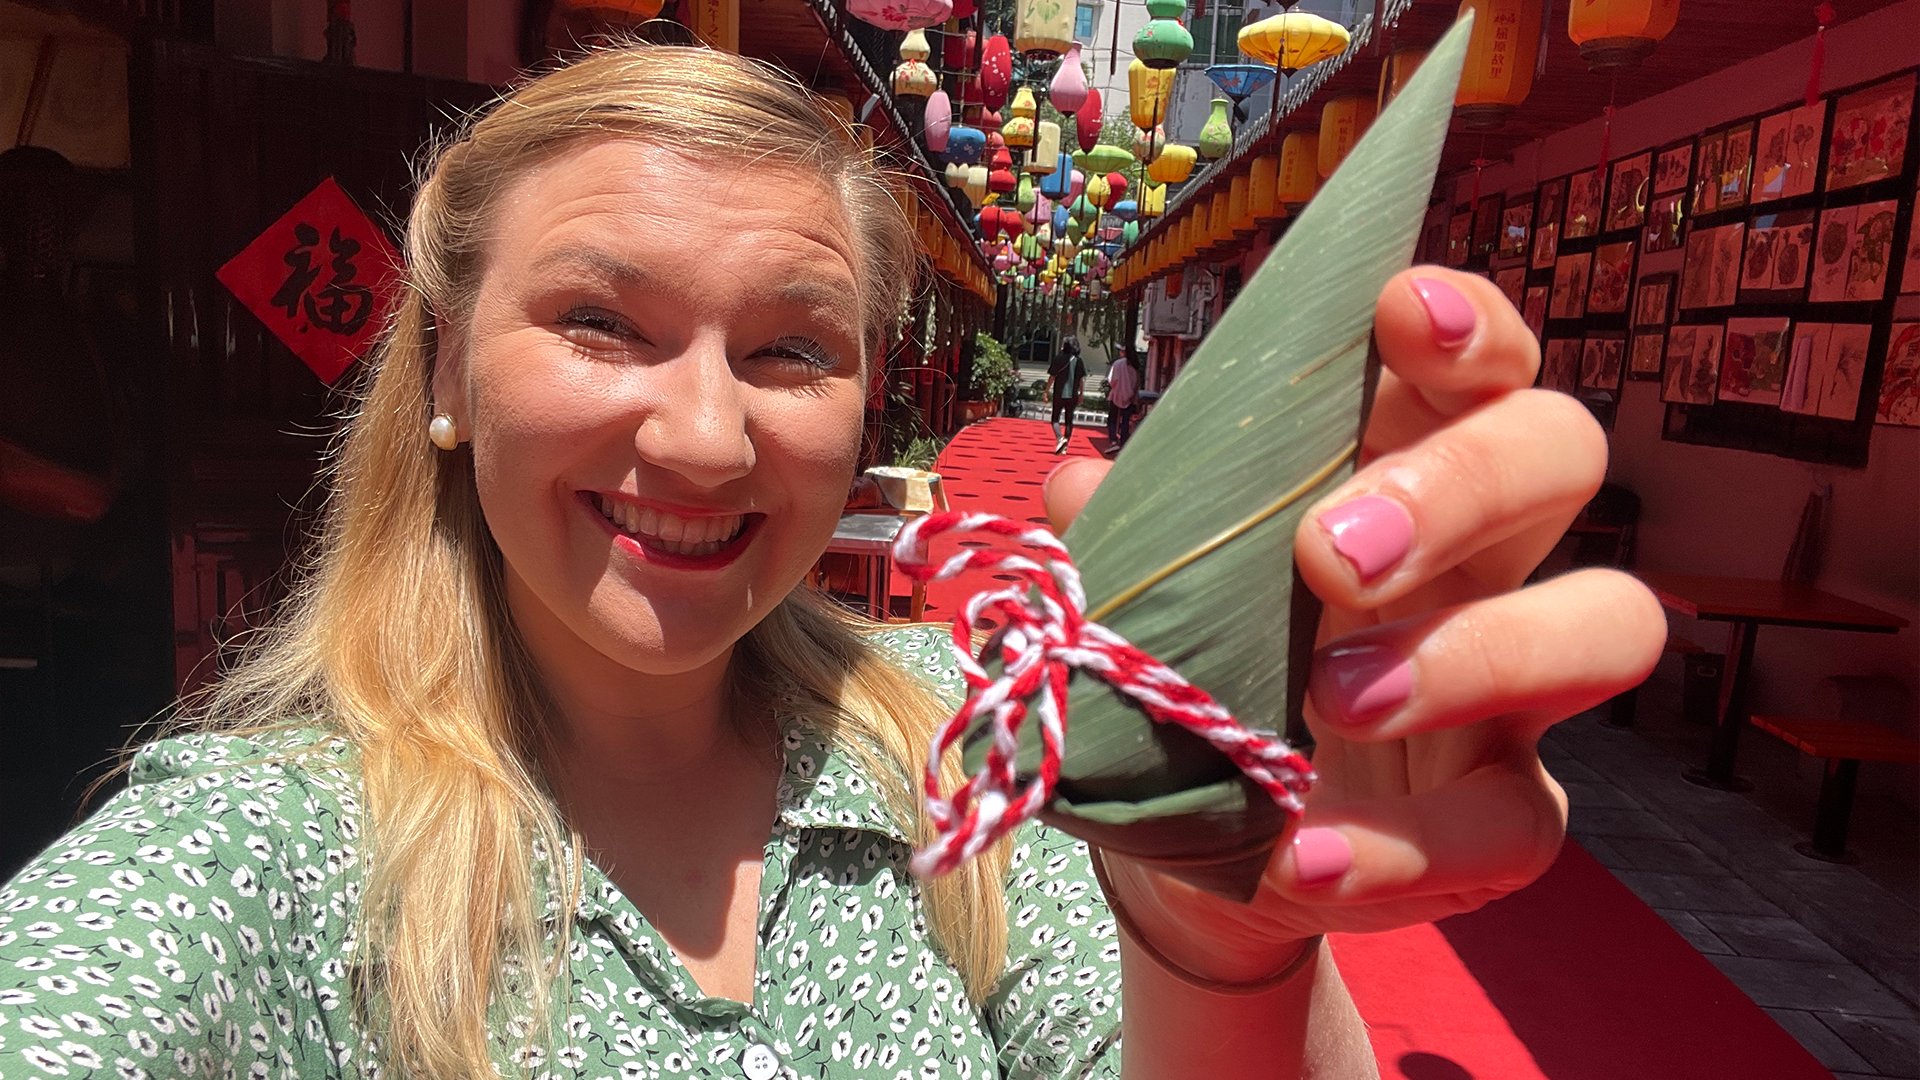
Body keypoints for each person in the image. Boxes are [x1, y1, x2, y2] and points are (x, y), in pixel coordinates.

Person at [0, 43, 1663, 1080]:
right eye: (601, 323)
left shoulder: (966, 749)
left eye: (794, 351)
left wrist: (1220, 916)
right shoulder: (248, 855)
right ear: (440, 366)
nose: (710, 442)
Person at [1046, 333, 1087, 453]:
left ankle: (1060, 438)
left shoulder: (1058, 358)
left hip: (1059, 393)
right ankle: (1065, 445)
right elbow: (1081, 379)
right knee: (1069, 420)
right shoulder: (1079, 361)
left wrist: (1046, 391)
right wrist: (1081, 394)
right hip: (1073, 394)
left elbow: (1052, 376)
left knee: (1055, 419)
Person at [1104, 350, 1141, 452]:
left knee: (1112, 419)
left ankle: (1113, 441)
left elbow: (1112, 380)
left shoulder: (1118, 364)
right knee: (1125, 420)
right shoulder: (1135, 367)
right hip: (1130, 396)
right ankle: (1123, 442)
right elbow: (1137, 382)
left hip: (1117, 394)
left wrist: (1117, 387)